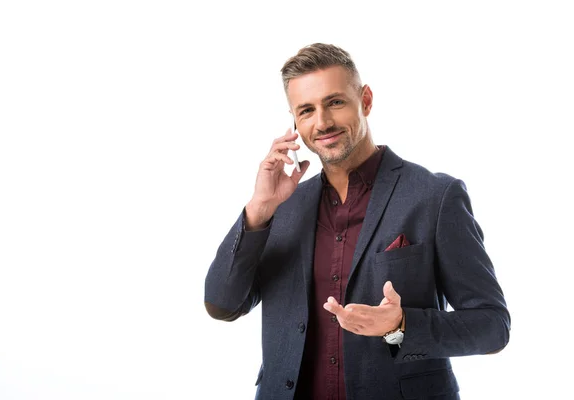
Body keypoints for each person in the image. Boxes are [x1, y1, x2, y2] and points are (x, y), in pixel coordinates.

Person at [204, 43, 510, 400]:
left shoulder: (435, 197)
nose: (323, 122)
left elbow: (492, 326)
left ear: (365, 100)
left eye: (335, 102)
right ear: (295, 123)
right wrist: (257, 211)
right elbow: (222, 305)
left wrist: (400, 326)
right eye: (306, 110)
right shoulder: (282, 207)